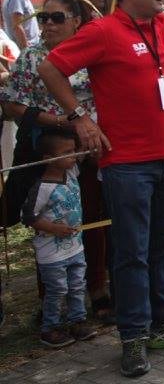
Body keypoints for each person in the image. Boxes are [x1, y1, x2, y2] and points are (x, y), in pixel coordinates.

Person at [39, 0, 164, 378]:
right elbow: (50, 68)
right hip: (128, 162)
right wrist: (79, 118)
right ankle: (133, 336)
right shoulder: (102, 31)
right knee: (132, 252)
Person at [0, 0, 113, 324]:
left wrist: (94, 130)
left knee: (91, 220)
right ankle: (52, 301)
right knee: (51, 224)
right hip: (47, 150)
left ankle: (97, 291)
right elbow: (11, 105)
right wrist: (63, 123)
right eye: (44, 17)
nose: (47, 23)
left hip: (92, 149)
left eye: (56, 18)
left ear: (76, 21)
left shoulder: (93, 53)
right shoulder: (32, 56)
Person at [21, 131, 98, 348]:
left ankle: (78, 321)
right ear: (48, 158)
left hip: (75, 248)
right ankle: (50, 328)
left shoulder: (72, 172)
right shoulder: (42, 188)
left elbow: (85, 152)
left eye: (73, 151)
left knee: (77, 285)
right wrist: (53, 228)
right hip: (52, 253)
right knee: (57, 290)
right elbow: (28, 217)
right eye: (66, 153)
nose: (73, 156)